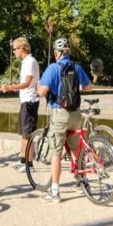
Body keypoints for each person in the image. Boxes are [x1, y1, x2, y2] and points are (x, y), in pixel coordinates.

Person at [36, 38, 93, 204]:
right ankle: (83, 182)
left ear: (56, 53)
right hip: (76, 114)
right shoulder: (77, 67)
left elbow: (43, 91)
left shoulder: (53, 68)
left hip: (59, 114)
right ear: (68, 52)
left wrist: (39, 87)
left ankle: (55, 192)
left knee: (56, 153)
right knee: (77, 151)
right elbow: (89, 87)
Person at [1, 37, 40, 172]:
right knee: (24, 133)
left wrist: (10, 87)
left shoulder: (30, 62)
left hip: (30, 101)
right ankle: (23, 161)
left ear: (22, 48)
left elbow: (27, 83)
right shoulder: (26, 62)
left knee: (27, 134)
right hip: (26, 101)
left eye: (15, 49)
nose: (14, 52)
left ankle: (29, 165)